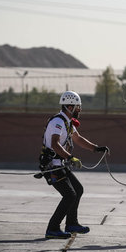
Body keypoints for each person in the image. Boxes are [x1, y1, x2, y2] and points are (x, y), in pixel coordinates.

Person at [39, 91, 110, 239]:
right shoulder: (58, 122)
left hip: (60, 164)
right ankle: (52, 228)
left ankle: (71, 224)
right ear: (70, 106)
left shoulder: (68, 122)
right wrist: (70, 157)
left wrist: (96, 148)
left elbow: (78, 139)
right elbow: (55, 144)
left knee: (77, 189)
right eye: (78, 107)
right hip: (52, 166)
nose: (80, 109)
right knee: (69, 195)